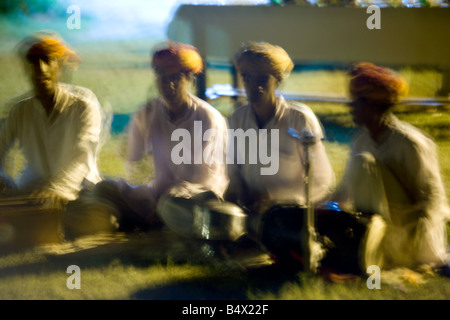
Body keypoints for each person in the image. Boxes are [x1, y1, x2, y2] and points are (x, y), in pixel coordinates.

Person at [65, 41, 229, 237]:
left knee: (175, 207)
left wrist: (165, 202)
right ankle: (152, 221)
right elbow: (132, 158)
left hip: (195, 200)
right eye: (162, 77)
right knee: (104, 188)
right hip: (158, 196)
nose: (168, 84)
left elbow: (204, 181)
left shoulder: (207, 118)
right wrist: (137, 128)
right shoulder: (150, 111)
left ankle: (148, 221)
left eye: (176, 77)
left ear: (190, 79)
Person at [334, 62, 449, 271]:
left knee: (364, 162)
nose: (351, 107)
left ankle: (381, 245)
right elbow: (344, 191)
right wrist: (312, 212)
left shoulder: (410, 143)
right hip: (384, 228)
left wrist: (413, 243)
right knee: (363, 162)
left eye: (359, 101)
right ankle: (370, 238)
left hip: (411, 237)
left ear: (377, 106)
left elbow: (434, 199)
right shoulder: (361, 140)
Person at [225, 41, 335, 215]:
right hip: (247, 213)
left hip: (290, 218)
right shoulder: (238, 119)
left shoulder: (300, 120)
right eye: (247, 78)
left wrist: (279, 205)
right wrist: (239, 192)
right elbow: (233, 167)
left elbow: (321, 180)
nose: (255, 86)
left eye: (262, 78)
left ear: (277, 80)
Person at [0, 31, 103, 211]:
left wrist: (57, 189)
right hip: (33, 191)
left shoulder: (83, 107)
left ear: (60, 66)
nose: (41, 69)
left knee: (99, 218)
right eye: (34, 62)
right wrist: (3, 180)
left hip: (79, 191)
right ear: (27, 69)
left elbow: (82, 156)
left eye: (47, 60)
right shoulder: (20, 111)